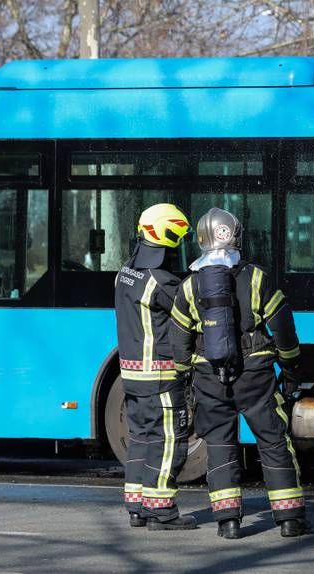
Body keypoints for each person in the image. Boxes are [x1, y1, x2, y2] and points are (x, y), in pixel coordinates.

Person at [169, 207, 310, 539]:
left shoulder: (190, 286)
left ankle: (228, 522)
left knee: (219, 445)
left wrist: (185, 375)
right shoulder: (256, 278)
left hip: (210, 378)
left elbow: (178, 340)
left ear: (201, 240)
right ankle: (289, 519)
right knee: (274, 441)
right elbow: (283, 328)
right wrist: (291, 365)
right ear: (236, 235)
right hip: (256, 376)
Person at [115, 203, 197, 530]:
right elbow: (192, 314)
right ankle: (161, 511)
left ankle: (137, 506)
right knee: (169, 442)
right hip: (160, 377)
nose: (178, 246)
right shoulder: (162, 282)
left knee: (140, 440)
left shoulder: (125, 273)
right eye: (176, 239)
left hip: (132, 377)